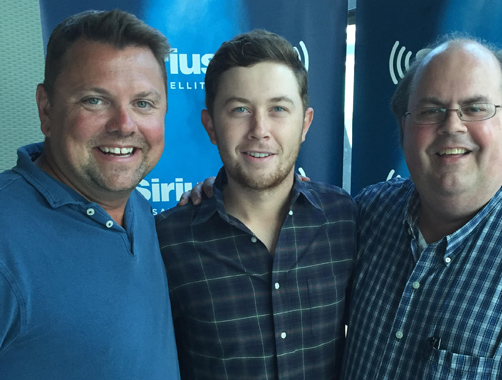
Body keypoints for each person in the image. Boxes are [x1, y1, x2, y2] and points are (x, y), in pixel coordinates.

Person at [341, 36, 502, 379]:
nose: (451, 126)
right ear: (404, 127)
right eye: (430, 110)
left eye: (475, 108)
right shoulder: (367, 215)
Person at [155, 30, 357, 379]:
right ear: (211, 126)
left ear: (305, 123)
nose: (259, 129)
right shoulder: (166, 241)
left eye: (278, 108)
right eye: (239, 109)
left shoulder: (345, 218)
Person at [0, 10, 180, 379]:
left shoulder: (139, 211)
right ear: (47, 109)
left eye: (143, 103)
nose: (124, 125)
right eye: (95, 101)